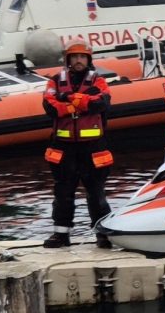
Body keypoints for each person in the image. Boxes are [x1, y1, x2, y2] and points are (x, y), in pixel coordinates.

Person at [41, 38, 113, 248]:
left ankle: (102, 234)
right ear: (68, 59)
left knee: (96, 193)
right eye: (75, 57)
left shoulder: (98, 80)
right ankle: (61, 235)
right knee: (63, 193)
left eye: (82, 56)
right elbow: (50, 107)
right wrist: (80, 103)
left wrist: (70, 99)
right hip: (64, 147)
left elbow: (102, 103)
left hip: (93, 146)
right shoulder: (55, 81)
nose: (79, 60)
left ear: (88, 58)